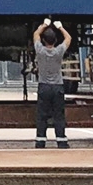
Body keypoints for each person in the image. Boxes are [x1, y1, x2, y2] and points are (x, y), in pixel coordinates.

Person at [31, 20, 73, 148]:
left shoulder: (40, 51)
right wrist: (60, 27)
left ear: (43, 41)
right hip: (57, 87)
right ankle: (61, 141)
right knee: (58, 115)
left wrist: (43, 25)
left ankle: (40, 141)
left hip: (43, 86)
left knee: (42, 115)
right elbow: (68, 38)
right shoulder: (59, 51)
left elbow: (35, 35)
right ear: (55, 41)